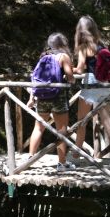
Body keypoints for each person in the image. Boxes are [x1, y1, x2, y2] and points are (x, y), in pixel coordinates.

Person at [72, 15, 110, 162]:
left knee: (81, 122)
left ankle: (75, 155)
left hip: (90, 84)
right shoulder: (102, 45)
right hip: (104, 84)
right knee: (108, 123)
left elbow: (79, 70)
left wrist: (67, 69)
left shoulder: (83, 47)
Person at [29, 33, 76, 170]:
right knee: (61, 130)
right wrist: (72, 79)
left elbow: (35, 77)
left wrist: (32, 98)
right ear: (63, 44)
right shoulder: (63, 57)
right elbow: (70, 76)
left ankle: (30, 159)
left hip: (42, 96)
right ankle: (62, 163)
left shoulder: (43, 57)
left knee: (38, 128)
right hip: (58, 97)